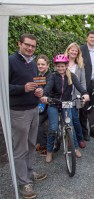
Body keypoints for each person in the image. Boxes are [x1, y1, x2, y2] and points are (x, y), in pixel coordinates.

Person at [9, 33, 47, 199]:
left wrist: (39, 91)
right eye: (27, 45)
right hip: (19, 112)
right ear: (19, 43)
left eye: (33, 46)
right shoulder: (10, 61)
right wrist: (21, 88)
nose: (30, 48)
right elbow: (3, 87)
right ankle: (24, 183)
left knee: (32, 144)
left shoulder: (32, 63)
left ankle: (30, 173)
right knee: (20, 148)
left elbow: (35, 84)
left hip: (33, 108)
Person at [41, 54, 90, 163]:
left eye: (62, 66)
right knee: (53, 128)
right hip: (54, 103)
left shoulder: (71, 76)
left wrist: (85, 94)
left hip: (66, 103)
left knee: (70, 126)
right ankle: (49, 151)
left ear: (66, 65)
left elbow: (79, 87)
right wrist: (44, 96)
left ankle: (75, 148)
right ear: (55, 66)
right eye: (58, 66)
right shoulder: (53, 76)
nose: (60, 68)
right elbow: (48, 87)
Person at [64, 42, 87, 148]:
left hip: (76, 96)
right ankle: (72, 141)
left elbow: (83, 82)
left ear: (78, 53)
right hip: (65, 95)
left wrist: (84, 94)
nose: (73, 52)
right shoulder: (62, 64)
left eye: (75, 51)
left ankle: (80, 138)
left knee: (75, 119)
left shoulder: (80, 66)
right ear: (68, 50)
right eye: (72, 50)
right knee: (69, 119)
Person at [36, 55, 52, 156]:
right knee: (36, 123)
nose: (40, 66)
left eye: (43, 64)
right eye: (38, 64)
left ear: (48, 65)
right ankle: (43, 144)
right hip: (41, 105)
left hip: (50, 104)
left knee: (39, 123)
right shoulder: (38, 76)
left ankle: (46, 146)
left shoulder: (51, 76)